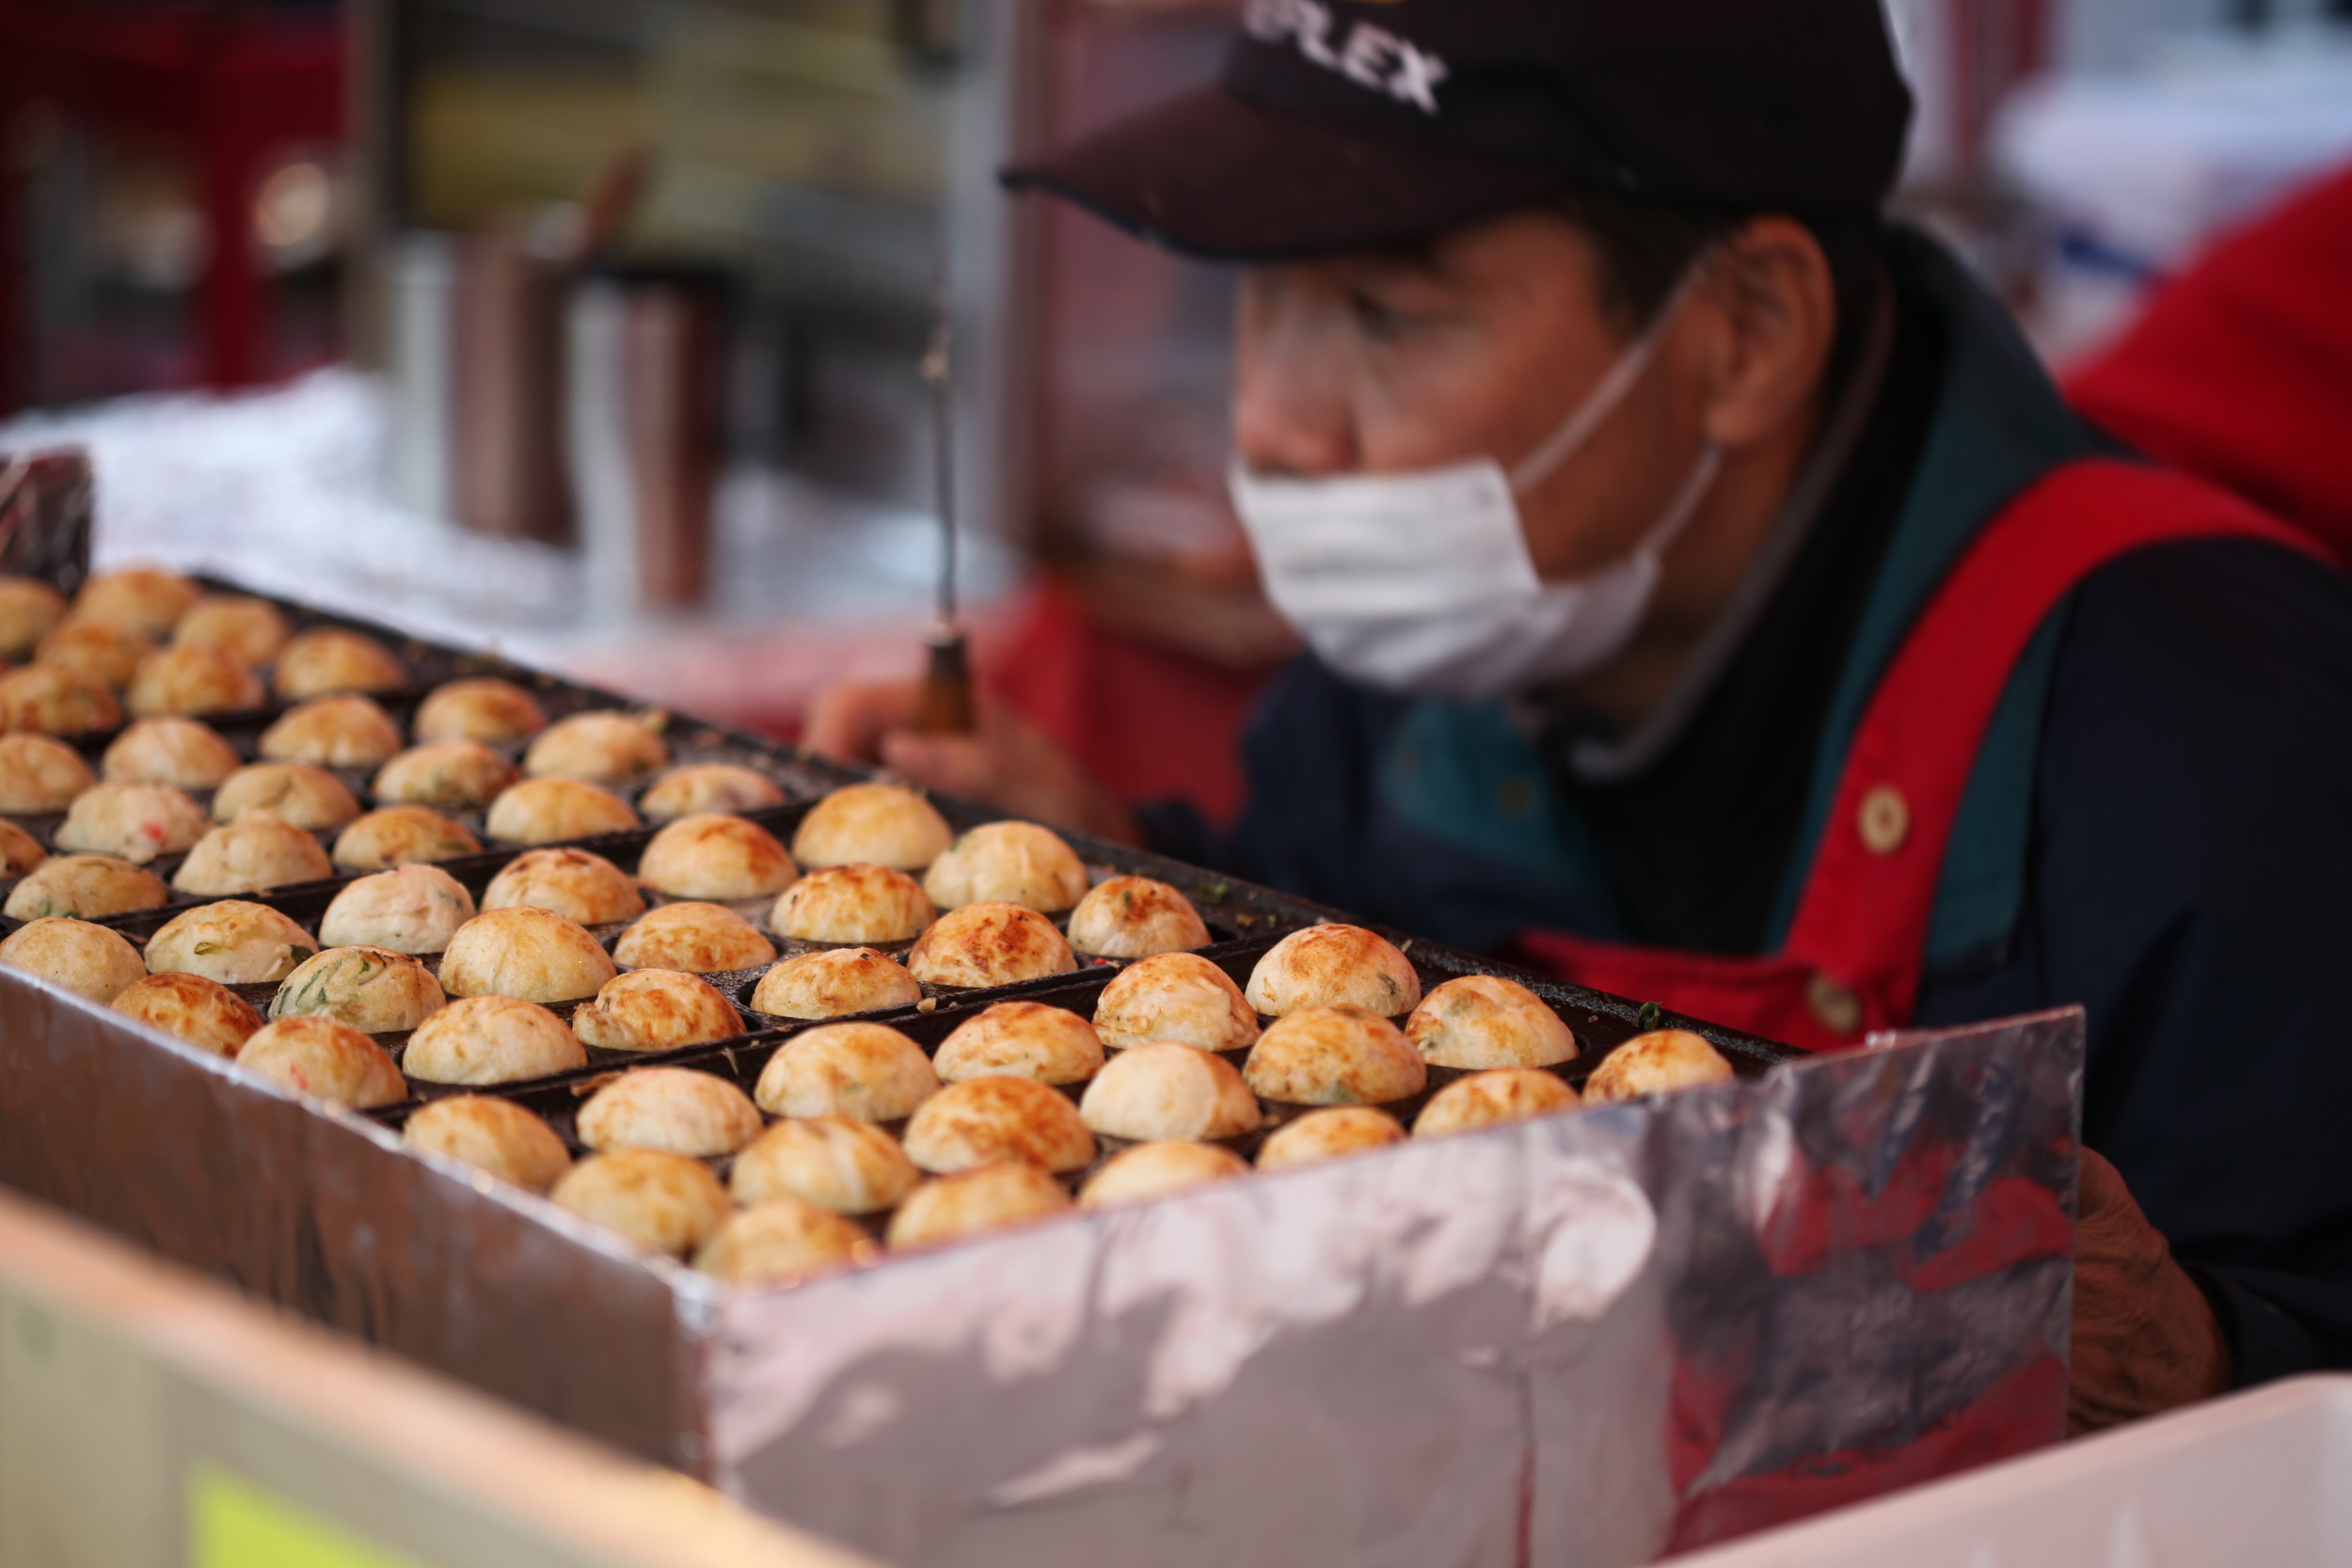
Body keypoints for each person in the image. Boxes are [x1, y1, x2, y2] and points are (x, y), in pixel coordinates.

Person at [809, 0, 2352, 1432]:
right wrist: (1122, 881)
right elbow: (1342, 983)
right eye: (1260, 302)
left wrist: (2197, 1360)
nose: (1275, 419)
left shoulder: (2219, 741)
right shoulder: (1418, 663)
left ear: (1746, 330)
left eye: (1385, 313)